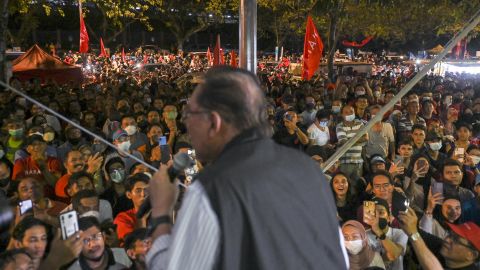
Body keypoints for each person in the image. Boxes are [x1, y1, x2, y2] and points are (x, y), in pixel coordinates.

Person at [146, 66, 348, 269]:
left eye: (189, 114)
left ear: (214, 122)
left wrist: (161, 211)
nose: (186, 123)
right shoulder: (308, 169)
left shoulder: (212, 189)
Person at [12, 134, 62, 199]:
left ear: (45, 145)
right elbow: (18, 184)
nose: (37, 147)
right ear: (28, 149)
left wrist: (43, 168)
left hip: (50, 198)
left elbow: (55, 184)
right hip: (28, 198)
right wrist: (43, 182)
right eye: (34, 145)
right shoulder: (21, 163)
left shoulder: (54, 161)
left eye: (40, 143)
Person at [363, 197, 408, 270]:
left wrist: (378, 231)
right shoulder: (363, 235)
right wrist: (384, 258)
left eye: (381, 213)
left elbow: (395, 254)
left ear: (388, 217)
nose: (377, 217)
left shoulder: (400, 233)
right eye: (373, 213)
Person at [114, 173, 149, 242]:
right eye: (138, 191)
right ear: (129, 195)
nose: (143, 194)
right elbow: (136, 247)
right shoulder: (123, 218)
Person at [336, 104, 368, 181]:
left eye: (351, 112)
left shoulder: (360, 123)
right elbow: (344, 143)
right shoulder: (340, 126)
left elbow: (366, 138)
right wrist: (359, 139)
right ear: (342, 115)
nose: (349, 114)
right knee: (346, 183)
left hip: (358, 161)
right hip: (345, 161)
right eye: (346, 112)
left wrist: (349, 140)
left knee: (356, 186)